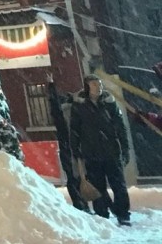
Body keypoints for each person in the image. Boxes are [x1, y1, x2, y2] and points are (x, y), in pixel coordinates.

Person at [70, 75, 131, 226]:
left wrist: (125, 148)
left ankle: (123, 214)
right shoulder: (79, 106)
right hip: (91, 153)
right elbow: (74, 129)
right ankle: (102, 215)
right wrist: (76, 150)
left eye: (99, 84)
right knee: (97, 187)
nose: (98, 87)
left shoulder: (109, 103)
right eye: (94, 84)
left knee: (119, 185)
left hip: (112, 152)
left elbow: (120, 127)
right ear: (87, 87)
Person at [47, 82, 89, 212]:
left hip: (67, 148)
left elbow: (54, 105)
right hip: (79, 149)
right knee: (82, 176)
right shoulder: (78, 112)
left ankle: (79, 203)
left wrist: (51, 87)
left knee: (72, 177)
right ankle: (84, 202)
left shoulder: (60, 115)